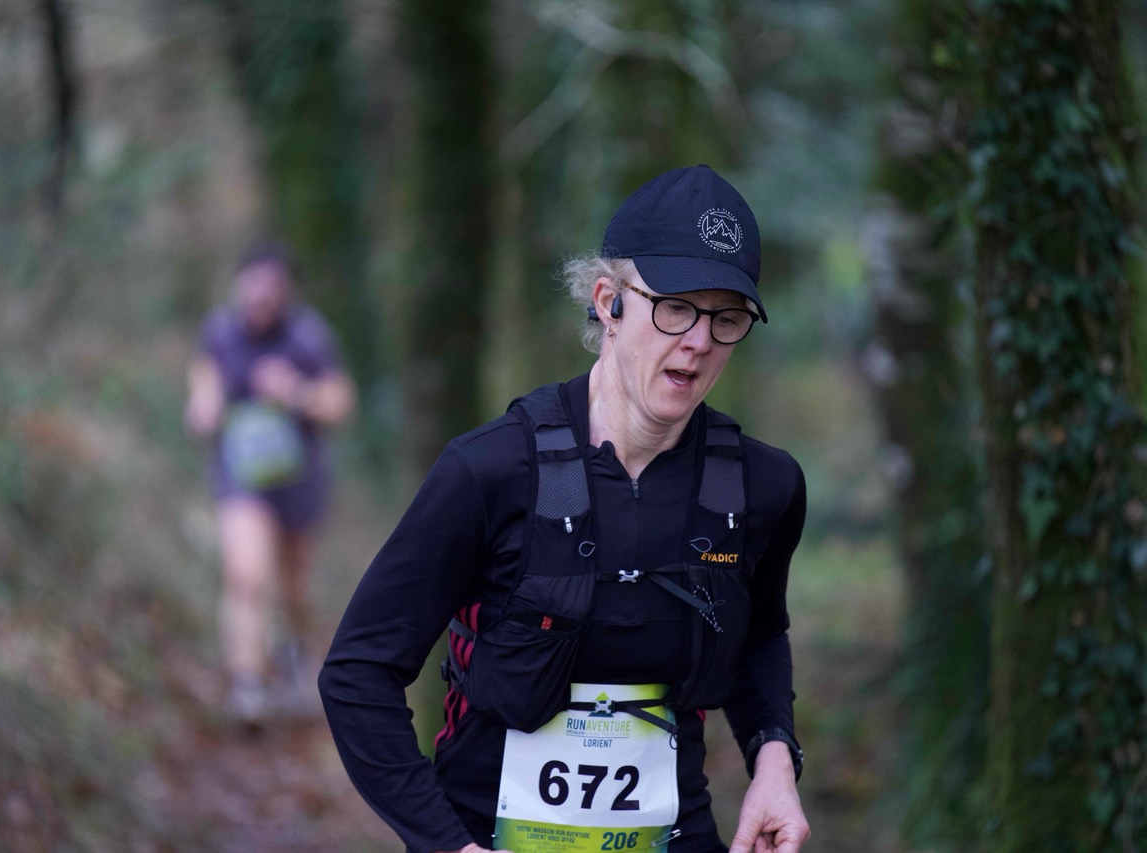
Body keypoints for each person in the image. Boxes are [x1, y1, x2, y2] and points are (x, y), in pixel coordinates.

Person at [320, 166, 809, 852]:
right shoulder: (490, 471)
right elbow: (358, 673)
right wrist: (447, 844)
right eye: (675, 308)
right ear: (609, 302)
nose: (699, 341)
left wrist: (775, 761)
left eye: (726, 318)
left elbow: (758, 636)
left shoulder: (762, 486)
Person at [185, 242, 355, 724]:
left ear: (286, 291)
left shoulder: (308, 336)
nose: (261, 293)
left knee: (294, 589)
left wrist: (295, 391)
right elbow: (203, 385)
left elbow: (340, 403)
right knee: (246, 575)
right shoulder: (220, 332)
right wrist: (203, 406)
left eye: (272, 285)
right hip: (242, 478)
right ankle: (248, 684)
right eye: (254, 282)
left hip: (300, 481)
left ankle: (298, 657)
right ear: (239, 285)